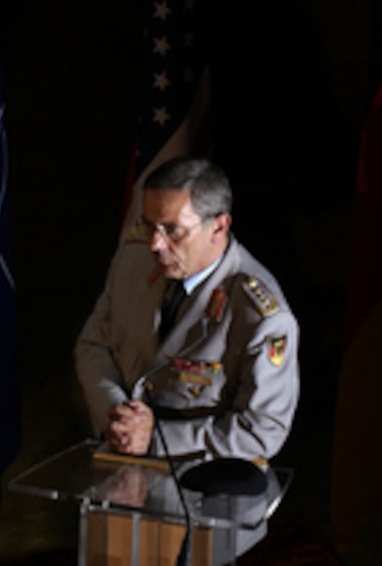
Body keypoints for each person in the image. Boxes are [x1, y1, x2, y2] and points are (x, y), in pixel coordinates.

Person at [75, 156, 299, 552]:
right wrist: (118, 417)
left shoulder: (261, 313)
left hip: (209, 491)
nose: (155, 244)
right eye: (149, 226)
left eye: (173, 230)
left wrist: (156, 440)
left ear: (219, 226)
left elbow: (263, 430)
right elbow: (93, 345)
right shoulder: (132, 259)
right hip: (120, 471)